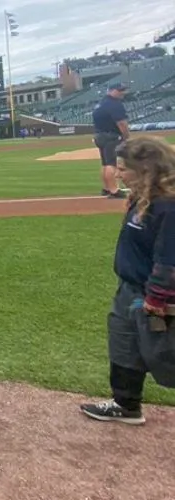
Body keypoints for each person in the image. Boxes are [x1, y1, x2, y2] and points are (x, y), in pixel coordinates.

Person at [81, 136, 175, 425]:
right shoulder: (143, 198)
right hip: (129, 289)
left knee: (164, 354)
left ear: (146, 169)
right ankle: (126, 404)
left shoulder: (168, 207)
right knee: (124, 346)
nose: (118, 174)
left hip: (153, 294)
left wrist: (155, 299)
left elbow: (169, 260)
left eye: (124, 168)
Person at [91, 83, 132, 199]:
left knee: (105, 163)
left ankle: (106, 188)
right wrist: (126, 137)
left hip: (99, 135)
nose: (122, 93)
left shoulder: (101, 103)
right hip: (111, 136)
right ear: (111, 91)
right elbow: (121, 123)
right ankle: (114, 190)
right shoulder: (115, 104)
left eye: (123, 90)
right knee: (111, 163)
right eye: (120, 90)